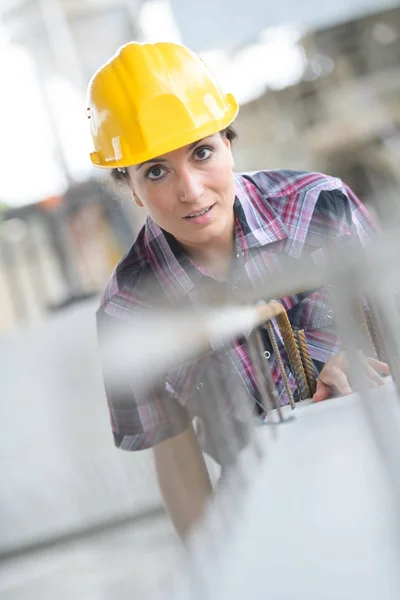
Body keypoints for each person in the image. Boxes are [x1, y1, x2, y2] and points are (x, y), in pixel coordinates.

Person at [87, 41, 389, 540]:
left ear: (229, 143)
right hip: (269, 518)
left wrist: (358, 358)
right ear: (131, 189)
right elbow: (180, 469)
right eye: (156, 171)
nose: (191, 190)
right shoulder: (128, 312)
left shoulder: (321, 208)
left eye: (202, 152)